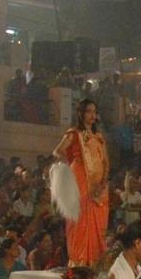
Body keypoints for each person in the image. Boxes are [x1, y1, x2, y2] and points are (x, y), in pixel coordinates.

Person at [53, 98, 111, 267]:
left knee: (97, 222)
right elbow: (58, 151)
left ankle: (94, 262)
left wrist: (102, 182)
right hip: (80, 179)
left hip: (98, 183)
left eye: (94, 111)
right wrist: (74, 163)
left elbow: (106, 162)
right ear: (80, 113)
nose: (92, 115)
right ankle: (79, 262)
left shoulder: (98, 137)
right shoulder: (73, 134)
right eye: (88, 111)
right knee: (80, 220)